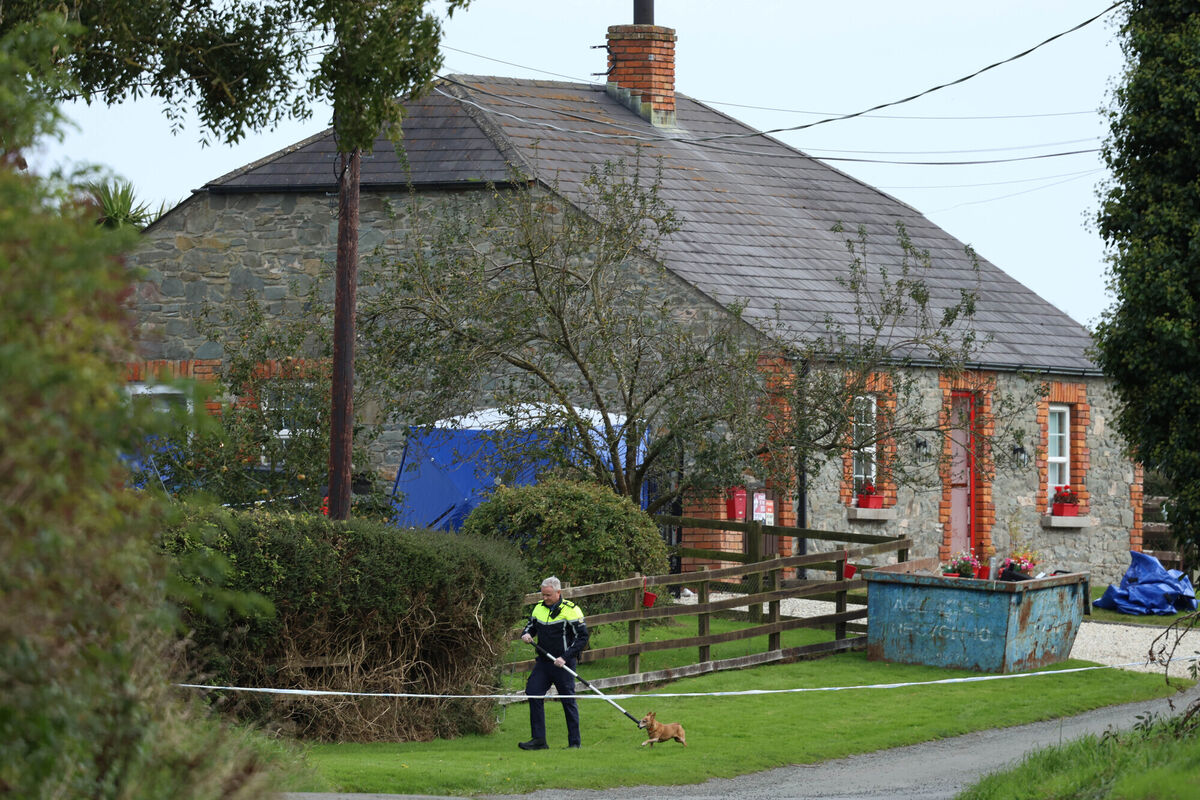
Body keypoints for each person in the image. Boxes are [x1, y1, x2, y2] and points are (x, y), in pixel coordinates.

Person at [518, 576, 589, 750]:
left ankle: (574, 743)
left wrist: (565, 657)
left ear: (558, 593)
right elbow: (530, 626)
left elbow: (582, 638)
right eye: (543, 595)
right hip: (543, 662)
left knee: (567, 700)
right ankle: (539, 740)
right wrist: (526, 634)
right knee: (533, 692)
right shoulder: (538, 608)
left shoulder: (572, 610)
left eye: (548, 595)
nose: (545, 598)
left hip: (563, 663)